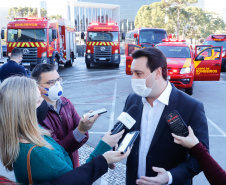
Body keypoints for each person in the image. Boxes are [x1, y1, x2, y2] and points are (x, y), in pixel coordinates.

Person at [0, 76, 130, 184]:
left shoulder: (28, 133)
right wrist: (103, 152)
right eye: (39, 100)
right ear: (25, 112)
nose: (46, 103)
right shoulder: (40, 155)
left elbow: (67, 164)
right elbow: (75, 180)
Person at [116, 47, 209, 185]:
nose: (133, 79)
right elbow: (121, 132)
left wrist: (170, 177)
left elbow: (201, 159)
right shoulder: (132, 99)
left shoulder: (191, 107)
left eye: (138, 73)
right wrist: (111, 152)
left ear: (158, 73)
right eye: (132, 73)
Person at [31, 63, 97, 168]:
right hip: (56, 169)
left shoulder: (66, 102)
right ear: (37, 86)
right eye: (50, 82)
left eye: (58, 80)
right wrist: (80, 130)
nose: (57, 85)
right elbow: (57, 150)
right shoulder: (37, 114)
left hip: (74, 163)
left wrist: (82, 129)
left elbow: (84, 136)